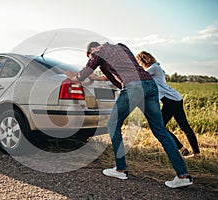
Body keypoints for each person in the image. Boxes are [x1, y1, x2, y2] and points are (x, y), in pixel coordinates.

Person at [66, 42, 193, 188]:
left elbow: (83, 75)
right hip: (150, 85)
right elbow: (118, 78)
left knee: (113, 125)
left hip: (134, 87)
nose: (91, 58)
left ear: (92, 50)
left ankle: (120, 169)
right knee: (160, 130)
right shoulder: (121, 46)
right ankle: (183, 175)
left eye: (89, 56)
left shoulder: (97, 52)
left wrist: (73, 77)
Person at [136, 51, 200, 158]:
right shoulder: (156, 68)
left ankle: (182, 149)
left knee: (159, 126)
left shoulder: (154, 68)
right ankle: (193, 152)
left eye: (139, 61)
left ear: (143, 60)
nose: (139, 64)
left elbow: (140, 76)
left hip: (171, 100)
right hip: (174, 99)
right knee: (183, 126)